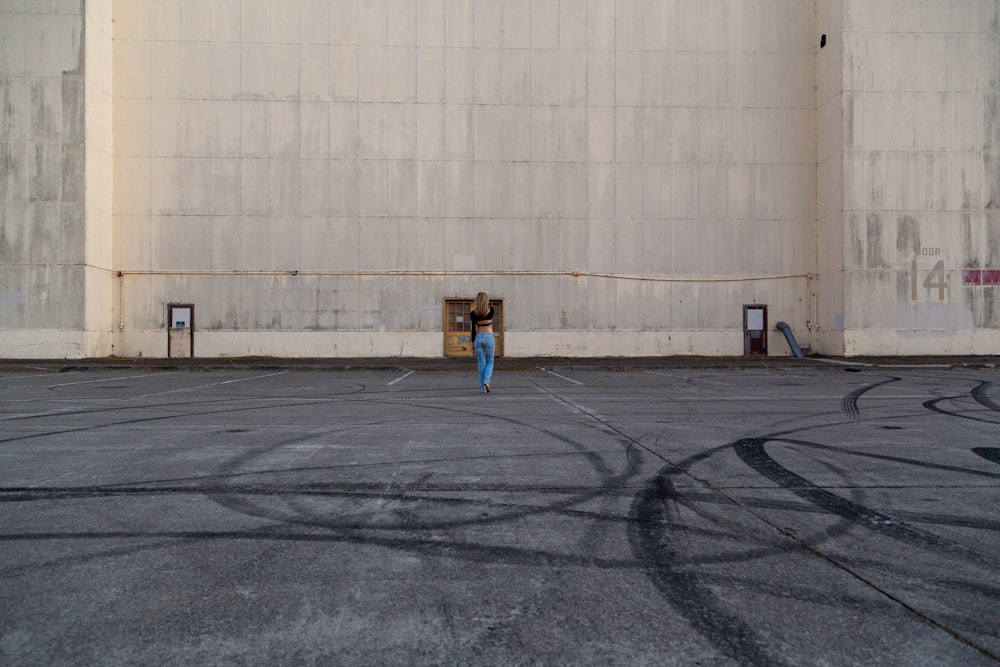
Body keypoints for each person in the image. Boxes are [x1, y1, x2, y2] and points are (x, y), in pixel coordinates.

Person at [470, 292, 495, 394]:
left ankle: (484, 389)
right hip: (489, 336)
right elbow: (489, 312)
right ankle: (486, 381)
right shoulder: (491, 311)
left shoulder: (473, 313)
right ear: (486, 300)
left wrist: (472, 342)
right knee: (490, 361)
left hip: (478, 337)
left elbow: (473, 329)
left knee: (481, 363)